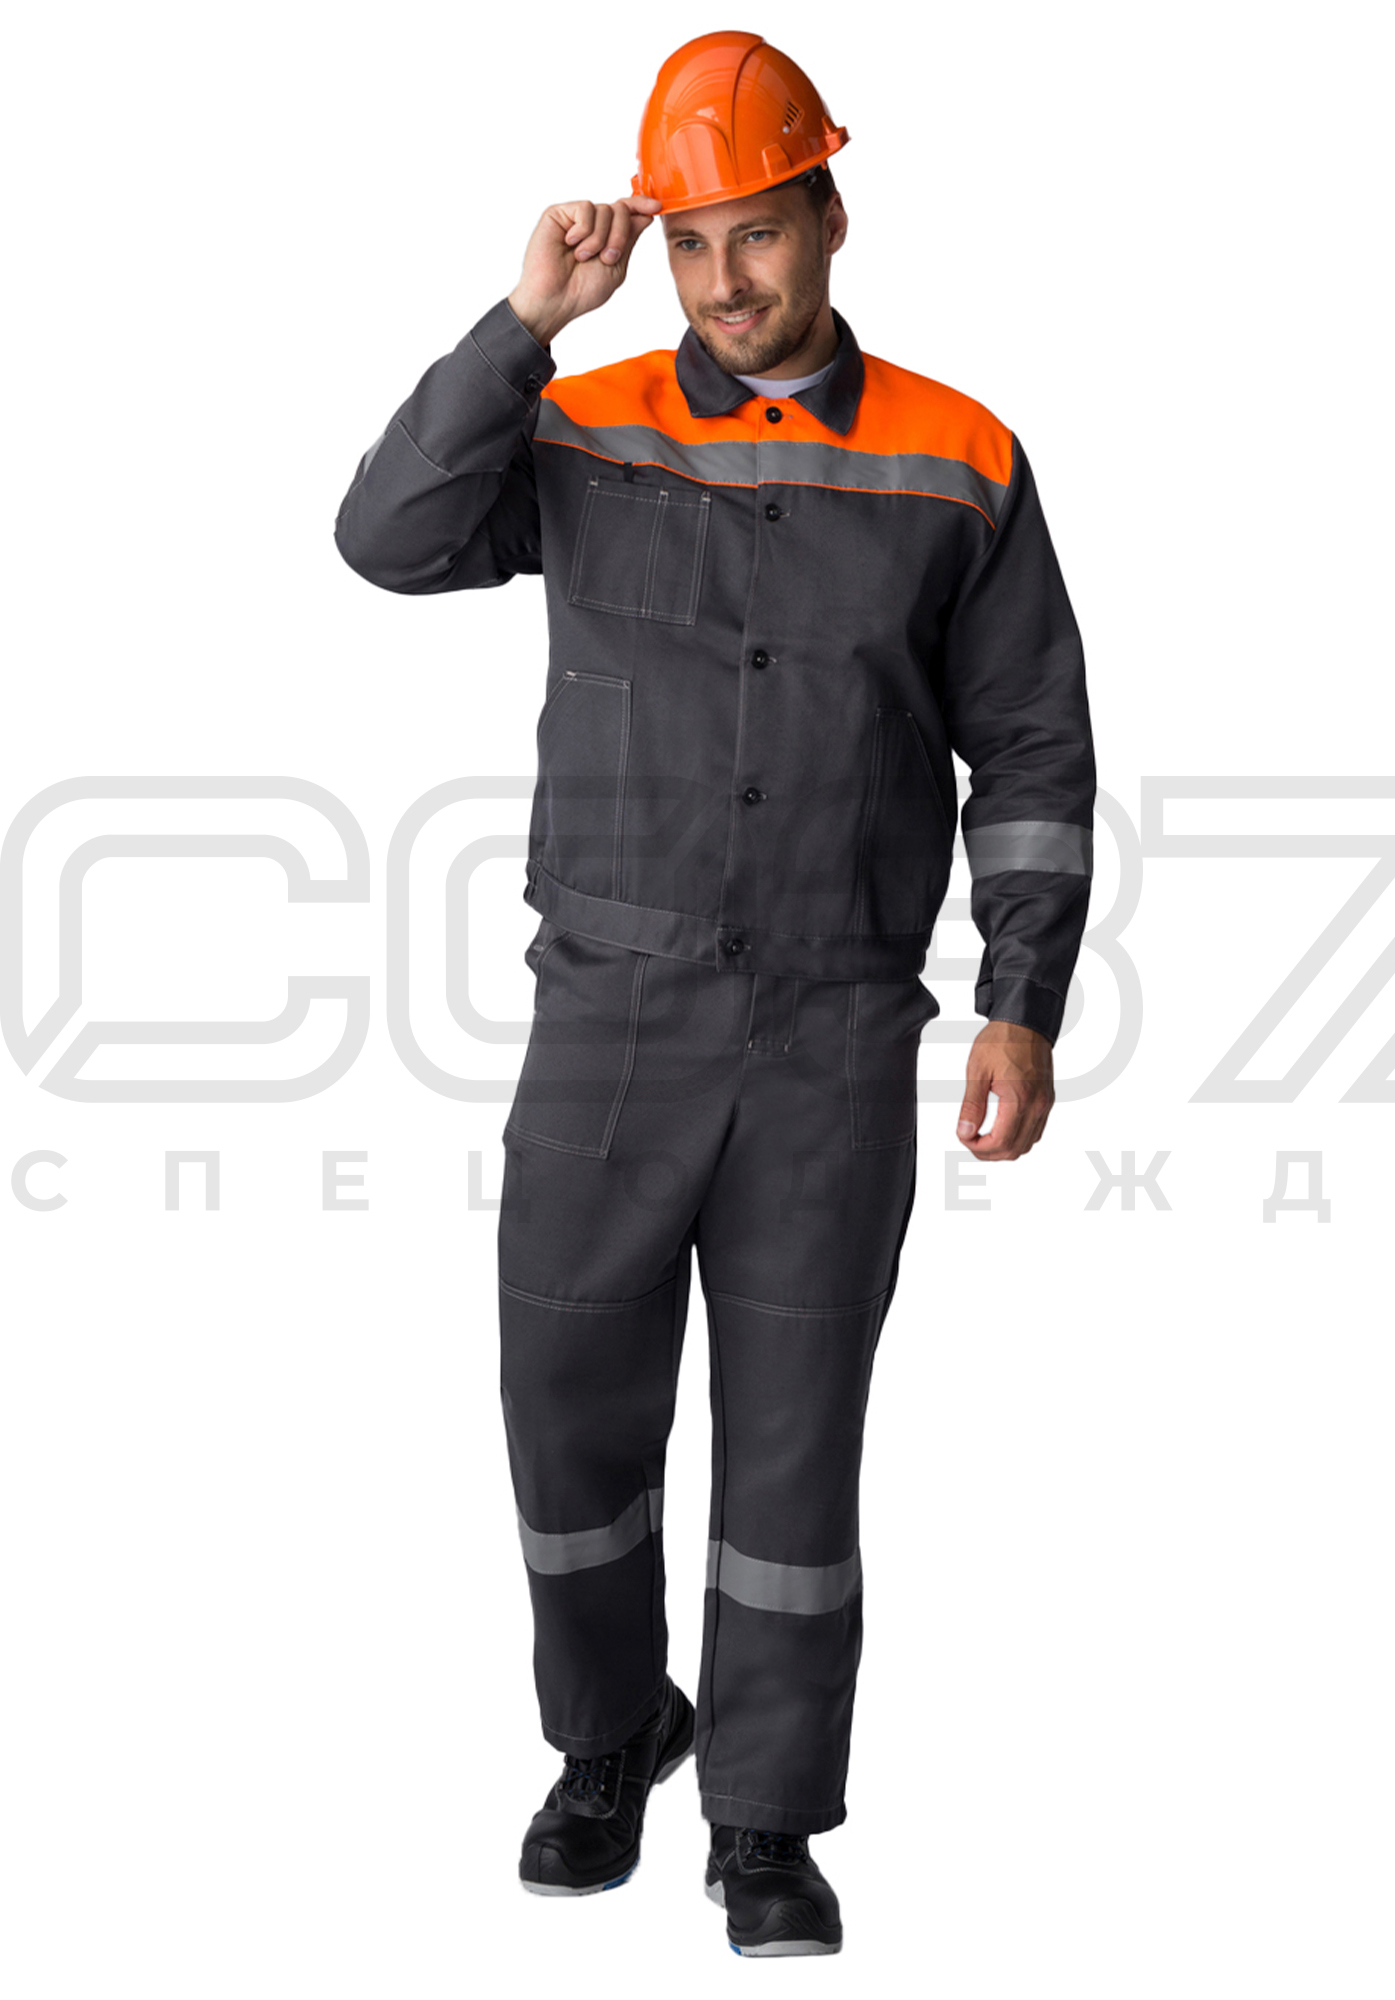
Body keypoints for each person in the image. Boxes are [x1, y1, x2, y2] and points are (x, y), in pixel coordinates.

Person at [334, 30, 1095, 1958]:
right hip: (608, 1014)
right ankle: (611, 1739)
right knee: (566, 1410)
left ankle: (764, 1815)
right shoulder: (577, 427)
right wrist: (523, 322)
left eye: (757, 232)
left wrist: (1020, 998)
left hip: (834, 1031)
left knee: (792, 1442)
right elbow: (385, 540)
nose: (726, 280)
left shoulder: (958, 456)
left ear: (830, 215)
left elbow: (1028, 746)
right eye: (691, 243)